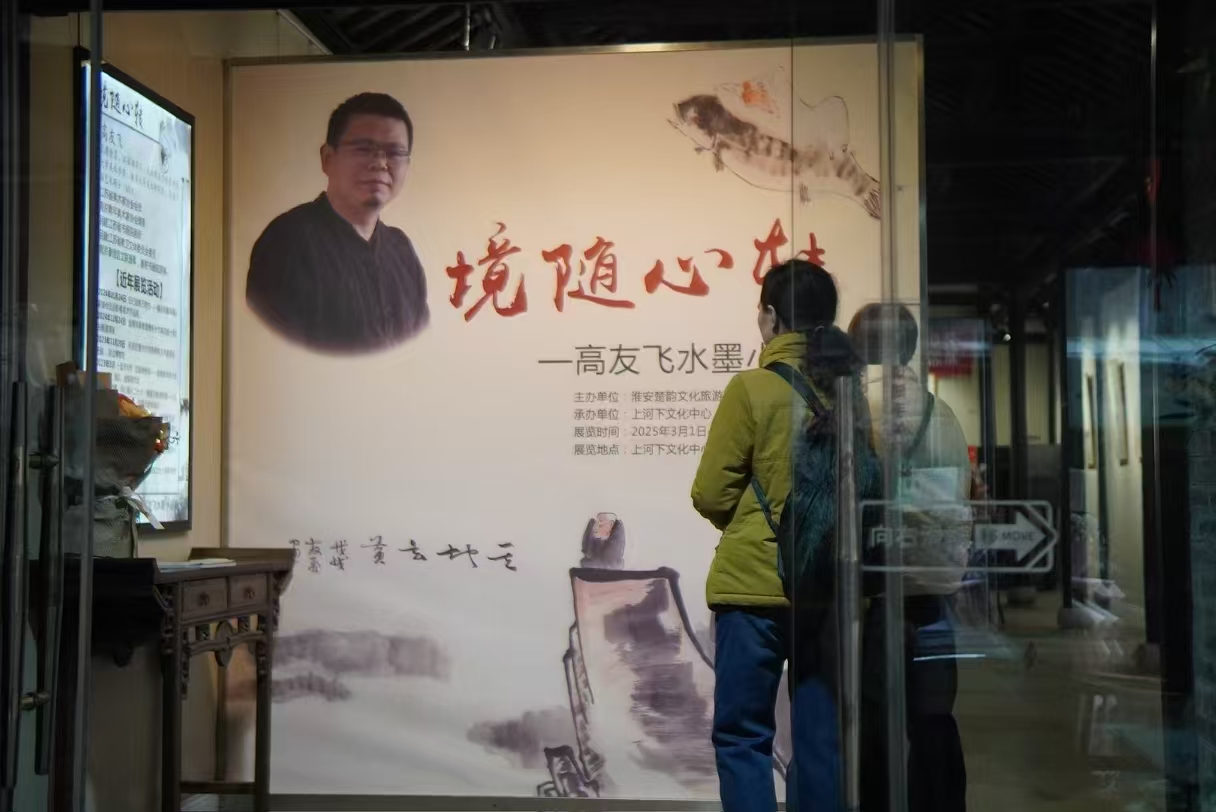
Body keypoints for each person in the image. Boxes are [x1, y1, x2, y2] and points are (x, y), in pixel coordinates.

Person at [692, 259, 863, 812]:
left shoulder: (752, 388)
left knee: (743, 735)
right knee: (818, 736)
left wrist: (755, 528)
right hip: (826, 590)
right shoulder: (850, 393)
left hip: (753, 591)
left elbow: (711, 493)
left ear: (770, 316)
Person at [847, 303, 971, 812]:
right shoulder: (942, 414)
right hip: (935, 596)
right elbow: (958, 504)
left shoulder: (858, 411)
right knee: (934, 724)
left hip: (876, 598)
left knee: (874, 732)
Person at [246, 92, 429, 353]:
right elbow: (274, 350)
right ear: (328, 158)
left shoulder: (401, 250)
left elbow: (420, 345)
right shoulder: (286, 242)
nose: (379, 163)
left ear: (407, 165)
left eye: (394, 152)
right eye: (363, 149)